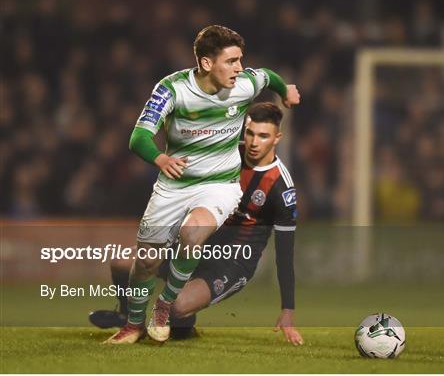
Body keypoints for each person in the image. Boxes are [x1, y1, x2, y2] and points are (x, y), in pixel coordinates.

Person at [104, 25, 300, 344]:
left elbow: (267, 75)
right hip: (174, 185)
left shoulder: (245, 84)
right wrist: (160, 159)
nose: (239, 69)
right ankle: (132, 323)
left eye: (241, 60)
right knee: (145, 261)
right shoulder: (172, 90)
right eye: (231, 61)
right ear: (207, 64)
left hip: (219, 185)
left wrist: (285, 91)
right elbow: (138, 136)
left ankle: (165, 307)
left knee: (193, 230)